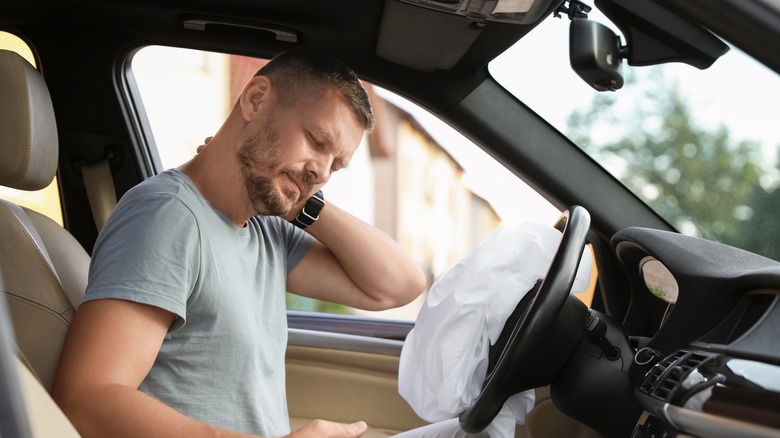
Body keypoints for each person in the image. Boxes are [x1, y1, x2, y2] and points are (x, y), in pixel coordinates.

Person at [52, 47, 427, 438]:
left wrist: (302, 201)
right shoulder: (167, 218)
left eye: (337, 164)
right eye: (316, 141)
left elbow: (398, 286)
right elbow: (85, 399)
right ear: (255, 99)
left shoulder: (265, 231)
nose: (322, 173)